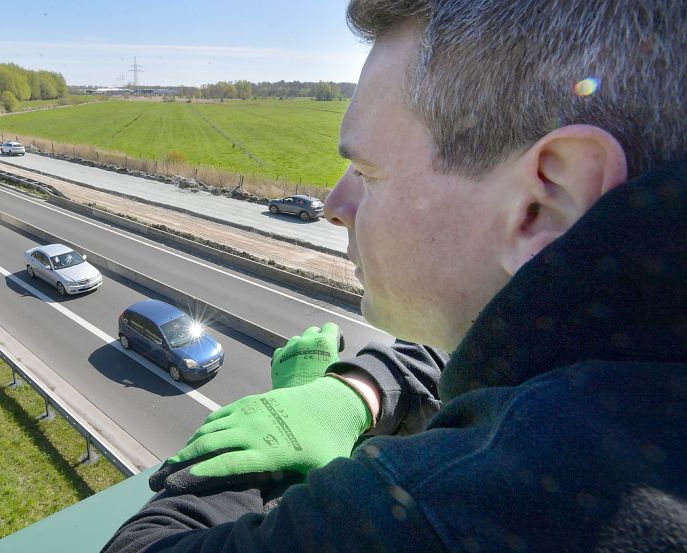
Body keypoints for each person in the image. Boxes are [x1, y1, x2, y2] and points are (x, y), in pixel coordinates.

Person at [103, 0, 686, 551]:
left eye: (366, 170)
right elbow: (490, 348)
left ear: (545, 203)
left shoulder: (467, 507)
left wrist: (270, 453)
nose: (334, 203)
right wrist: (355, 390)